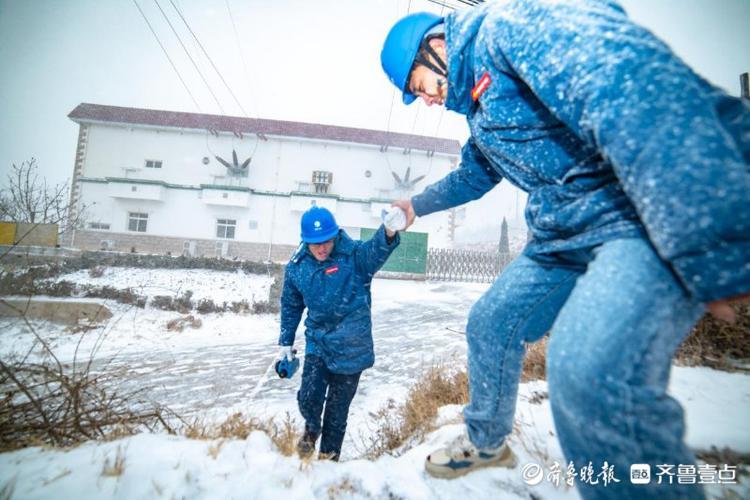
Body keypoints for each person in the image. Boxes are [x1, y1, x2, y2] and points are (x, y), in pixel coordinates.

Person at [380, 2, 749, 498]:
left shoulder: (512, 29)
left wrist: (709, 234)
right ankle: (488, 442)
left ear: (437, 47)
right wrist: (415, 206)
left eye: (420, 86)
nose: (425, 100)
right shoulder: (482, 111)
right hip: (568, 233)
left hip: (637, 211)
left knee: (590, 374)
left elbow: (628, 86)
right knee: (492, 324)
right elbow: (473, 175)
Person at [278, 205, 400, 461]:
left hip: (351, 347)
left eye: (327, 241)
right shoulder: (297, 267)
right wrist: (285, 342)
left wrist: (388, 230)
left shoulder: (354, 256)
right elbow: (291, 305)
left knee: (336, 413)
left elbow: (376, 251)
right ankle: (311, 427)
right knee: (309, 396)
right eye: (315, 244)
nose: (322, 248)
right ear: (305, 241)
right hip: (318, 344)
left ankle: (328, 461)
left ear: (335, 236)